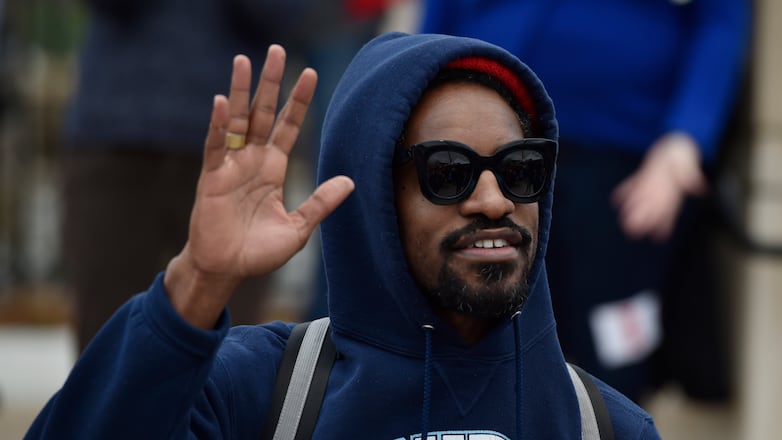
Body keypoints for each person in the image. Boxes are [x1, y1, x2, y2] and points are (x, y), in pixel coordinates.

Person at [26, 32, 661, 439]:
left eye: (521, 169)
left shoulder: (606, 427)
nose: (494, 200)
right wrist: (198, 280)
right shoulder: (258, 392)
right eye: (448, 172)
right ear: (376, 197)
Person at [420, 0, 751, 401]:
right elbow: (436, 27)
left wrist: (686, 138)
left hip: (625, 168)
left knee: (616, 356)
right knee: (486, 344)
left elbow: (721, 19)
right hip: (490, 154)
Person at [60, 0, 310, 352]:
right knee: (105, 347)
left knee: (232, 355)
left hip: (239, 148)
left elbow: (286, 13)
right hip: (115, 137)